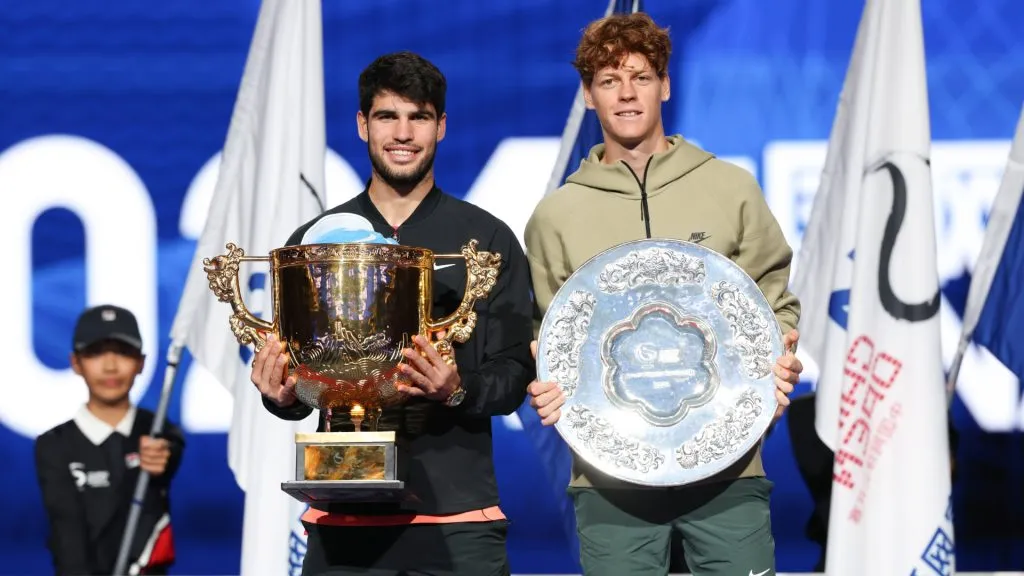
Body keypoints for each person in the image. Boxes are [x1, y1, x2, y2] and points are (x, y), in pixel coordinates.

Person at [524, 13, 804, 576]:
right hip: (608, 480)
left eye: (641, 77)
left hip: (729, 468)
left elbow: (773, 302)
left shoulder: (730, 188)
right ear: (588, 94)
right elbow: (548, 335)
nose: (626, 94)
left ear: (665, 85)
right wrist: (547, 379)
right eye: (608, 80)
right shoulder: (557, 215)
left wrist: (780, 353)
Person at [249, 51, 535, 576]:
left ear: (441, 127)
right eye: (387, 116)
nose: (403, 133)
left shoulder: (487, 241)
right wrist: (282, 396)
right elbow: (299, 381)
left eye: (419, 116)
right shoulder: (315, 245)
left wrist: (456, 388)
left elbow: (515, 374)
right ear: (362, 124)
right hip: (342, 519)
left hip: (457, 518)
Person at [35, 305, 184, 576]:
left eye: (124, 352)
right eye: (95, 352)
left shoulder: (158, 431)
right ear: (75, 363)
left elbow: (172, 448)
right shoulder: (53, 445)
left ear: (141, 362)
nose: (110, 365)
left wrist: (166, 454)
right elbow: (67, 535)